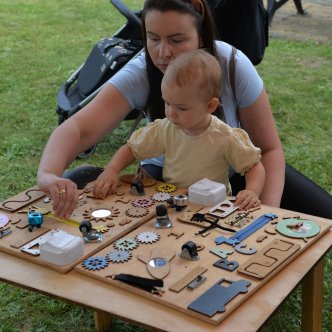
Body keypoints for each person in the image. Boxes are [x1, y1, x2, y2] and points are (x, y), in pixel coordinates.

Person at [37, 0, 331, 220]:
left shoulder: (233, 64)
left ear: (201, 36)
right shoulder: (142, 69)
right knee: (84, 185)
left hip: (235, 172)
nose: (163, 53)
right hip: (168, 176)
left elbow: (268, 149)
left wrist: (263, 214)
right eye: (153, 38)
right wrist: (49, 174)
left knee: (323, 214)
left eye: (177, 40)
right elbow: (78, 129)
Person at [93, 49, 265, 210]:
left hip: (213, 206)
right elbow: (132, 148)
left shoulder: (224, 136)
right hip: (173, 201)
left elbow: (253, 165)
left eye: (182, 108)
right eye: (167, 103)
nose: (171, 113)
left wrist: (252, 191)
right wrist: (112, 170)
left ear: (210, 105)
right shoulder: (166, 128)